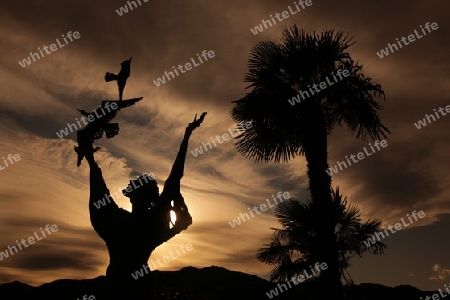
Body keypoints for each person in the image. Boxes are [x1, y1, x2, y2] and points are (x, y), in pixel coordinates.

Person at [80, 112, 206, 299]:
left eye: (137, 185)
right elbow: (174, 179)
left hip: (117, 284)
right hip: (137, 284)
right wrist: (187, 135)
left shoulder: (120, 220)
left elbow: (100, 190)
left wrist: (90, 160)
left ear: (135, 195)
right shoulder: (152, 223)